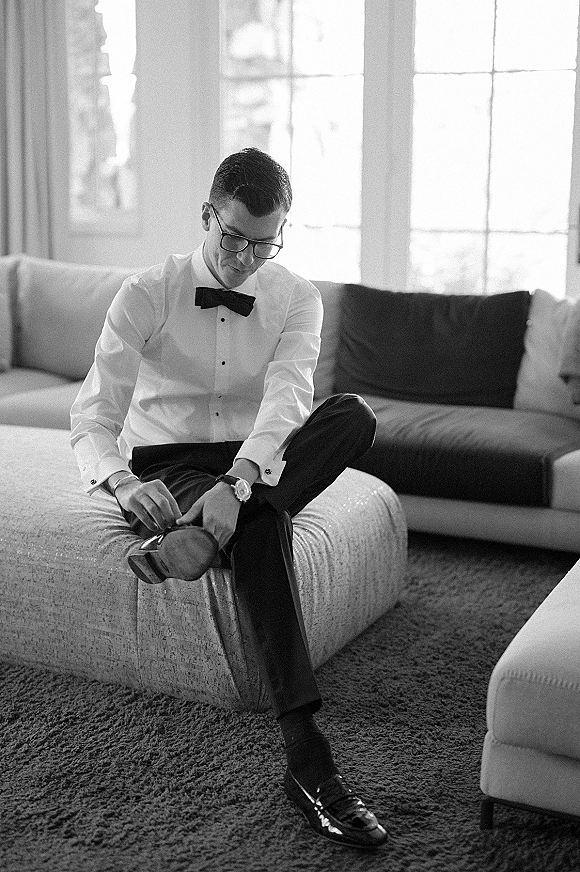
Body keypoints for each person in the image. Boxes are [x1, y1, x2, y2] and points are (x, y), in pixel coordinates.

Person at [70, 147, 387, 849]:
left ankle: (204, 530)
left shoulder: (296, 296)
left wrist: (239, 483)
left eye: (265, 244)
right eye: (234, 238)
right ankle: (309, 758)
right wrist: (124, 482)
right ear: (207, 215)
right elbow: (93, 415)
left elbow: (288, 401)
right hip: (172, 460)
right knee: (263, 528)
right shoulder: (146, 293)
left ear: (282, 233)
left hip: (257, 458)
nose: (246, 259)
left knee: (354, 416)